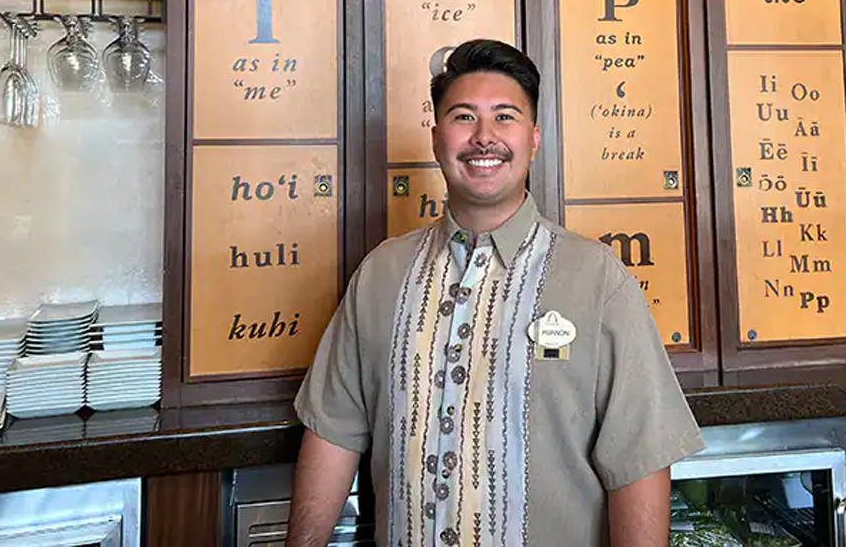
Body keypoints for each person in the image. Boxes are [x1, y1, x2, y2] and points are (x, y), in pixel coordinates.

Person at [287, 39, 703, 547]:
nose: (484, 137)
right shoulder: (381, 274)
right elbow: (333, 433)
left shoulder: (597, 281)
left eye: (505, 117)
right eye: (464, 117)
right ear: (438, 138)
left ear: (533, 138)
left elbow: (637, 465)